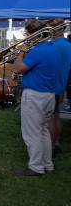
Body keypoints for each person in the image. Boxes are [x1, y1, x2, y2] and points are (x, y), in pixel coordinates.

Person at [12, 20, 61, 176]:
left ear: (35, 35)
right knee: (43, 130)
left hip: (35, 94)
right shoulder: (53, 48)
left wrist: (21, 52)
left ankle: (36, 167)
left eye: (27, 35)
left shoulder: (39, 50)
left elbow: (17, 69)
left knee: (32, 133)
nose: (27, 38)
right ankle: (46, 164)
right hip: (49, 94)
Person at [45, 19, 71, 157]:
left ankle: (49, 149)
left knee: (49, 119)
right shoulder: (67, 44)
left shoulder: (54, 45)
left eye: (49, 28)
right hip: (60, 83)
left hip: (51, 85)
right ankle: (56, 144)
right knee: (56, 115)